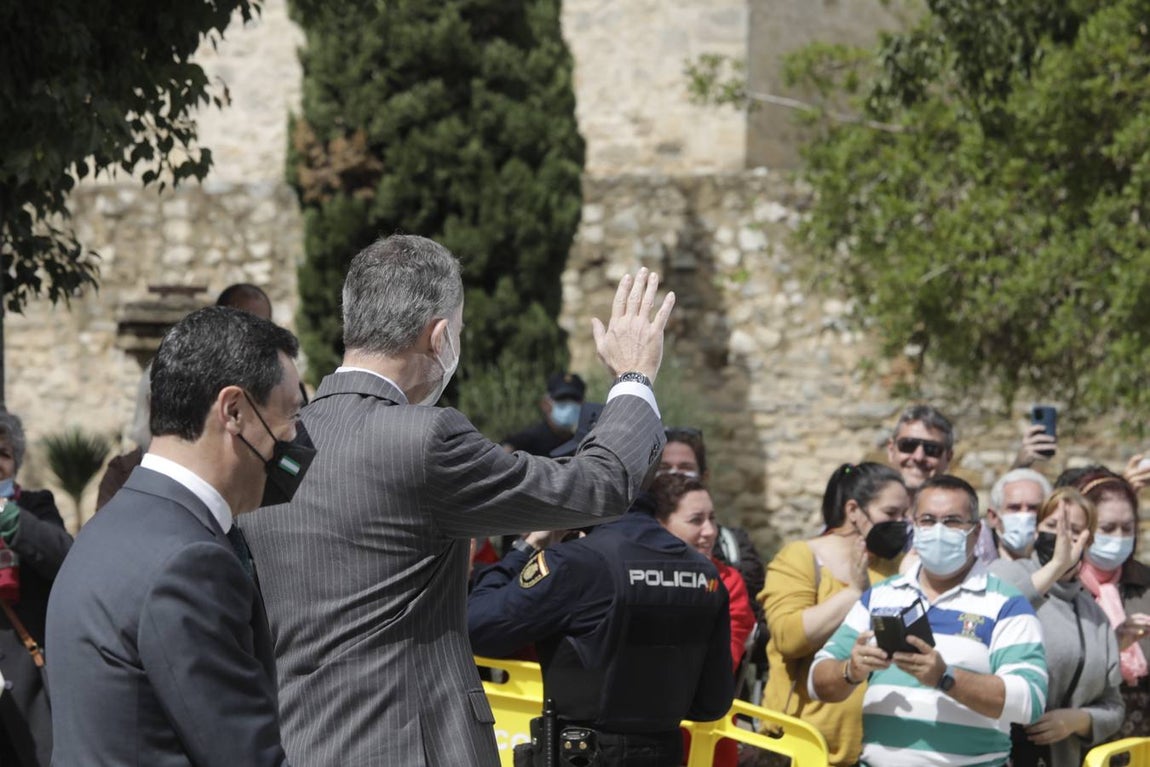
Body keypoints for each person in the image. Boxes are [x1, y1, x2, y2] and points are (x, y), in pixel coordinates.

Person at [242, 234, 675, 766]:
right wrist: (634, 379)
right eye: (460, 331)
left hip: (295, 743)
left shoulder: (275, 444)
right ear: (440, 336)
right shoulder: (425, 438)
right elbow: (598, 486)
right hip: (409, 748)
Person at [47, 307, 310, 766]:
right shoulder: (190, 562)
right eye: (289, 417)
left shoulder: (108, 527)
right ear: (234, 412)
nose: (294, 439)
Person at [467, 474, 734, 766]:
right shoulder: (704, 573)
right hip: (663, 751)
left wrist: (525, 549)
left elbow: (477, 628)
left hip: (585, 752)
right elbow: (711, 704)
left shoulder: (576, 563)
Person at [810, 475, 1048, 767]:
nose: (938, 531)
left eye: (951, 521)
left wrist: (946, 678)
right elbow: (817, 680)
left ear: (975, 532)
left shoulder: (1006, 604)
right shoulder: (881, 596)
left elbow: (1030, 701)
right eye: (927, 520)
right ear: (914, 526)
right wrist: (851, 670)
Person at [760, 462, 910, 766]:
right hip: (803, 749)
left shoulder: (895, 567)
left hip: (876, 750)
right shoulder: (802, 557)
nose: (901, 523)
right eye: (891, 514)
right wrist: (854, 593)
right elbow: (789, 637)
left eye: (905, 515)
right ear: (853, 510)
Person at [990, 487, 1124, 767]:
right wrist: (1054, 569)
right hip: (998, 753)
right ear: (1037, 531)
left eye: (1073, 529)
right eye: (1053, 525)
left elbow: (1113, 705)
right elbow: (994, 616)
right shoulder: (1004, 575)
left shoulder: (1095, 615)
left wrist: (1078, 720)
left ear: (1089, 541)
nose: (1062, 536)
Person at [0, 411, 72, 767]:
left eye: (3, 453)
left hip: (28, 685)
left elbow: (65, 558)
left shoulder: (35, 506)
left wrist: (13, 522)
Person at [1071, 468, 1150, 738]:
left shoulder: (1144, 583)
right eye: (1107, 528)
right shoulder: (1062, 589)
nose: (1118, 537)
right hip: (1082, 738)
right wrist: (1112, 648)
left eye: (1127, 528)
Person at [978, 468, 1052, 565]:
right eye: (1014, 508)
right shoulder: (976, 567)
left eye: (1033, 508)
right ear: (993, 517)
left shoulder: (1061, 571)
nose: (1024, 515)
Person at [502, 371, 587, 455]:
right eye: (562, 399)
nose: (569, 405)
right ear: (545, 404)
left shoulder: (581, 446)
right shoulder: (522, 442)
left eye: (574, 399)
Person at [884, 404, 954, 492]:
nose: (919, 457)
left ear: (948, 458)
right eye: (909, 445)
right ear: (891, 450)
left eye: (931, 449)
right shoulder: (864, 502)